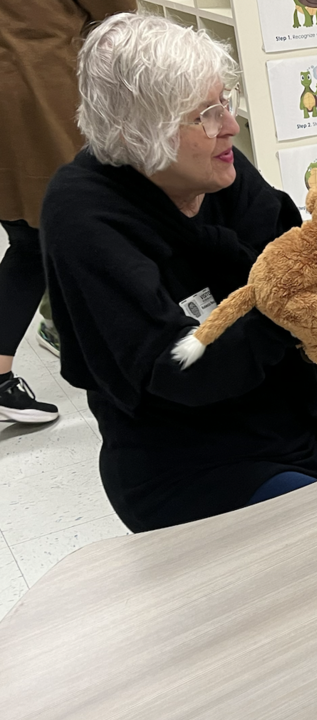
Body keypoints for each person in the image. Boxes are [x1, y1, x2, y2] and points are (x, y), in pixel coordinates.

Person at [41, 13, 317, 533]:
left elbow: (302, 274)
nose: (230, 126)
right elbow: (176, 371)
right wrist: (299, 309)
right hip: (188, 460)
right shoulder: (84, 217)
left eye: (224, 103)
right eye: (206, 115)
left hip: (293, 417)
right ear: (138, 133)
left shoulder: (220, 172)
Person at [0, 0, 136, 423]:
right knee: (80, 228)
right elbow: (119, 14)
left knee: (28, 241)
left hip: (17, 96)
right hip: (42, 94)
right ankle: (123, 357)